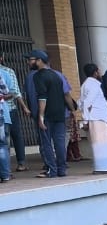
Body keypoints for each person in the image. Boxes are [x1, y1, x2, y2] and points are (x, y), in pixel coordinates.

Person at [28, 50, 75, 178]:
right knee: (60, 143)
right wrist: (72, 110)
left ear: (39, 60)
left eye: (31, 60)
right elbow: (66, 94)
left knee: (46, 143)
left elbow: (42, 97)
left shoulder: (37, 76)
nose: (29, 62)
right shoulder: (57, 75)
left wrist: (41, 116)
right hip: (60, 113)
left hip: (47, 114)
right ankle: (62, 169)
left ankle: (52, 170)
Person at [79, 64, 107, 175]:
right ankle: (101, 167)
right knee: (100, 144)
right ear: (95, 72)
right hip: (96, 117)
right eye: (99, 71)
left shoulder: (88, 84)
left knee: (103, 143)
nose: (100, 73)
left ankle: (105, 166)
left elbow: (80, 102)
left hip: (98, 117)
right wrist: (85, 121)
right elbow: (86, 103)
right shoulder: (92, 85)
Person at [0, 51, 28, 175]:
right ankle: (20, 163)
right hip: (9, 109)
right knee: (15, 136)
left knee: (4, 141)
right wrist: (24, 107)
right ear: (2, 57)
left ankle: (5, 170)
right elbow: (15, 92)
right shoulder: (7, 71)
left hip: (7, 110)